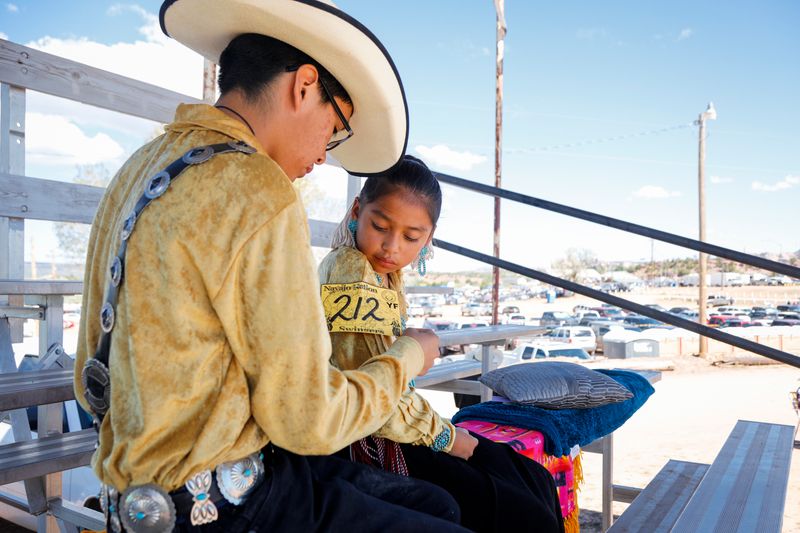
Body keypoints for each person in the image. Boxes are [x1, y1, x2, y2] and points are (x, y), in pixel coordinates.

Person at [73, 1, 467, 531]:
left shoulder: (139, 168)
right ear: (304, 86)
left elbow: (89, 379)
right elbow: (308, 420)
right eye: (334, 126)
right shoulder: (259, 187)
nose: (325, 153)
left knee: (435, 507)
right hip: (225, 507)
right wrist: (409, 357)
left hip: (133, 500)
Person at [319, 155, 565, 532]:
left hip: (392, 423)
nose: (391, 247)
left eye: (411, 237)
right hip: (364, 438)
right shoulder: (352, 272)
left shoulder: (381, 274)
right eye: (380, 226)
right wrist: (450, 438)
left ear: (428, 237)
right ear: (356, 211)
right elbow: (377, 400)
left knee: (535, 478)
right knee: (526, 514)